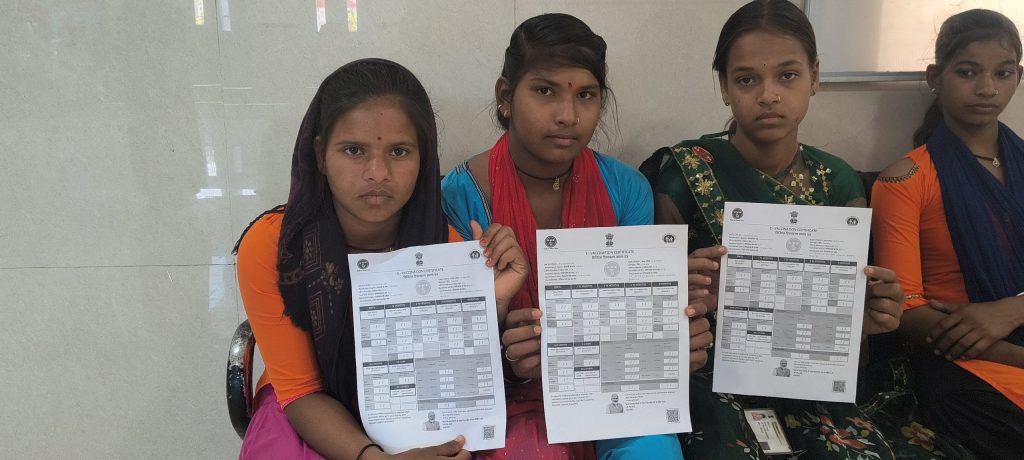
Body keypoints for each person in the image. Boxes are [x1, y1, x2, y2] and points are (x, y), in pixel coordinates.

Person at [641, 1, 964, 458]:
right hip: (711, 379)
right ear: (724, 87)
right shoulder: (686, 176)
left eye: (787, 75)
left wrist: (867, 319)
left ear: (814, 76)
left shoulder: (840, 182)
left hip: (812, 376)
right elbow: (654, 316)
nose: (768, 95)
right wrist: (684, 293)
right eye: (747, 80)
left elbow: (844, 318)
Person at [442, 13, 712, 460]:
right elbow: (450, 342)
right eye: (545, 91)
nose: (568, 115)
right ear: (506, 96)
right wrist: (511, 357)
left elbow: (632, 317)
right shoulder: (461, 195)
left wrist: (674, 335)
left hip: (616, 392)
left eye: (585, 95)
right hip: (508, 401)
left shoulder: (626, 189)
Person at [235, 58, 529, 460]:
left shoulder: (442, 247)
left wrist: (490, 303)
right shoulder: (275, 247)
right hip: (305, 408)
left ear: (424, 159)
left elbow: (454, 376)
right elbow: (301, 391)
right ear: (320, 154)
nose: (378, 172)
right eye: (354, 150)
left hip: (417, 398)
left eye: (399, 151)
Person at [871, 9, 1024, 458]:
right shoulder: (904, 180)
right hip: (967, 363)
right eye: (968, 72)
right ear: (935, 78)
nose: (987, 88)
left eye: (1003, 73)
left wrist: (1010, 310)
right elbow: (906, 309)